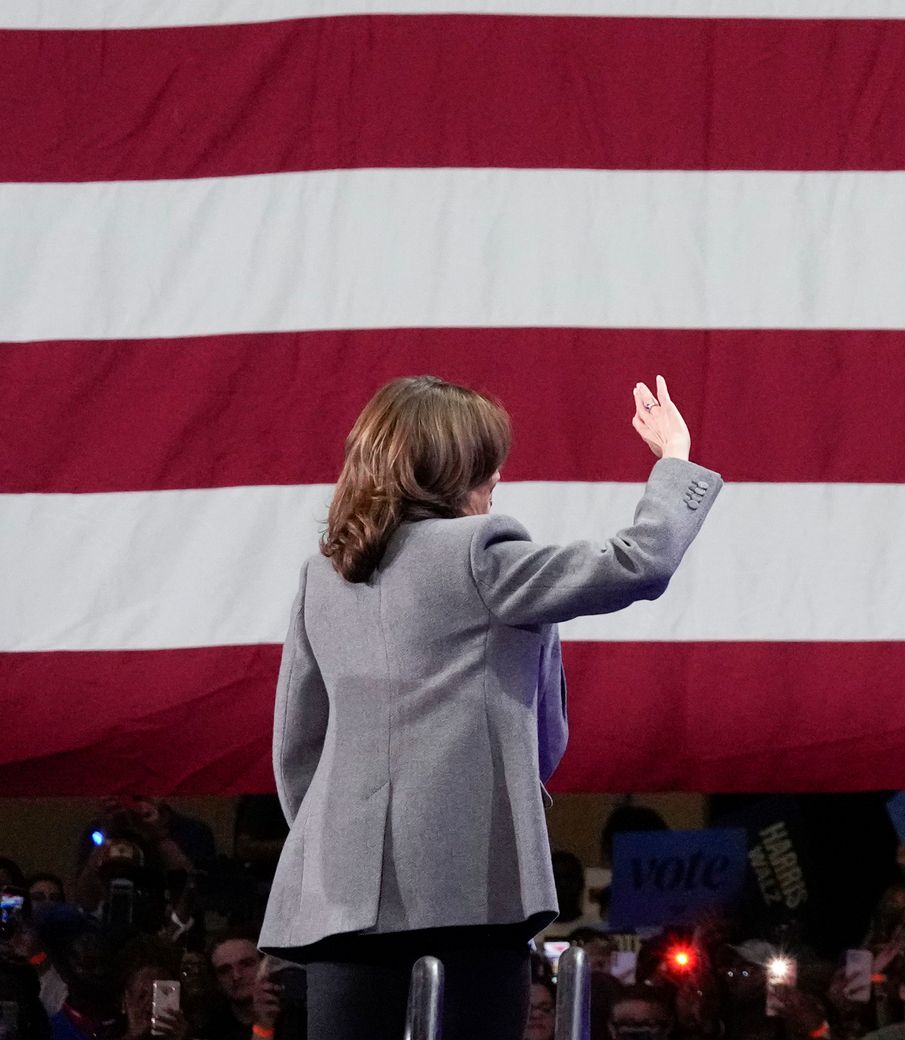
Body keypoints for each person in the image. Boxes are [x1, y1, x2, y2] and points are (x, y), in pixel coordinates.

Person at [261, 376, 718, 1040]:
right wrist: (673, 461)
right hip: (467, 887)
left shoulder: (325, 574)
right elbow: (638, 564)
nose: (499, 474)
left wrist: (336, 846)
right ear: (451, 465)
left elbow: (296, 747)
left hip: (337, 905)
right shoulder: (479, 551)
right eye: (486, 457)